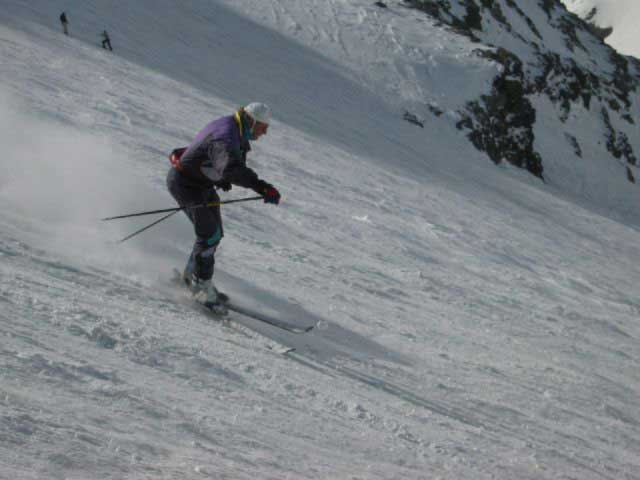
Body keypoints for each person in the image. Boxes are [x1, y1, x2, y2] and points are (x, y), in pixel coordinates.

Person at [166, 103, 281, 312]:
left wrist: (219, 178)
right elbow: (231, 167)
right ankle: (200, 287)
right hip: (187, 185)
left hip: (201, 184)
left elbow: (216, 159)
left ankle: (191, 278)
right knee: (209, 235)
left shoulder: (235, 129)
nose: (264, 133)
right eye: (262, 127)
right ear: (251, 121)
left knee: (214, 234)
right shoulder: (226, 135)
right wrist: (262, 187)